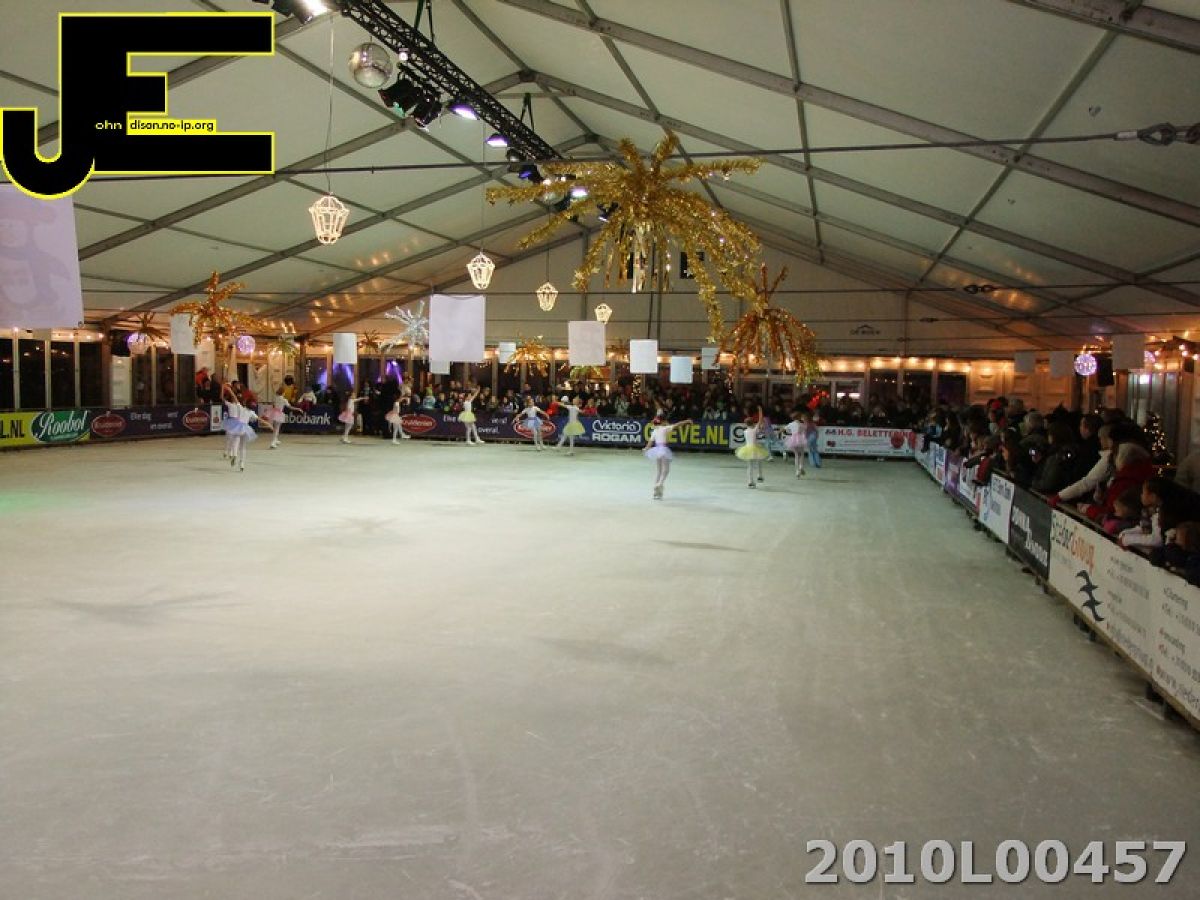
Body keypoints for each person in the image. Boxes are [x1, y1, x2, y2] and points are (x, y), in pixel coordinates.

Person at [644, 416, 693, 500]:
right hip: (663, 450)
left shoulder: (654, 431)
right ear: (662, 422)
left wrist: (646, 448)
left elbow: (650, 442)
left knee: (659, 471)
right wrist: (687, 421)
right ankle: (660, 484)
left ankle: (656, 491)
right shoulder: (665, 428)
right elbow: (678, 424)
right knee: (666, 470)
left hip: (656, 450)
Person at [736, 407, 770, 488]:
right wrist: (760, 411)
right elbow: (760, 420)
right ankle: (760, 476)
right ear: (753, 423)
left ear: (746, 424)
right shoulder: (754, 430)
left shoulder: (745, 431)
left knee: (750, 466)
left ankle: (750, 481)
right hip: (755, 448)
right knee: (759, 461)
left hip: (747, 449)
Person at [265, 385, 302, 449]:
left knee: (276, 427)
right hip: (279, 414)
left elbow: (273, 405)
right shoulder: (284, 400)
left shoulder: (275, 397)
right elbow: (290, 407)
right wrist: (298, 409)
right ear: (283, 392)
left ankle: (276, 439)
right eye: (284, 392)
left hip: (274, 412)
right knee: (276, 428)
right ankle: (273, 442)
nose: (285, 393)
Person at [784, 411, 807, 477]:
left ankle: (797, 471)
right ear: (799, 417)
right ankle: (801, 466)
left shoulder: (790, 424)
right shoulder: (802, 424)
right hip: (801, 439)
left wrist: (778, 432)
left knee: (796, 455)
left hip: (793, 440)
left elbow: (784, 429)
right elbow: (805, 430)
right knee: (802, 454)